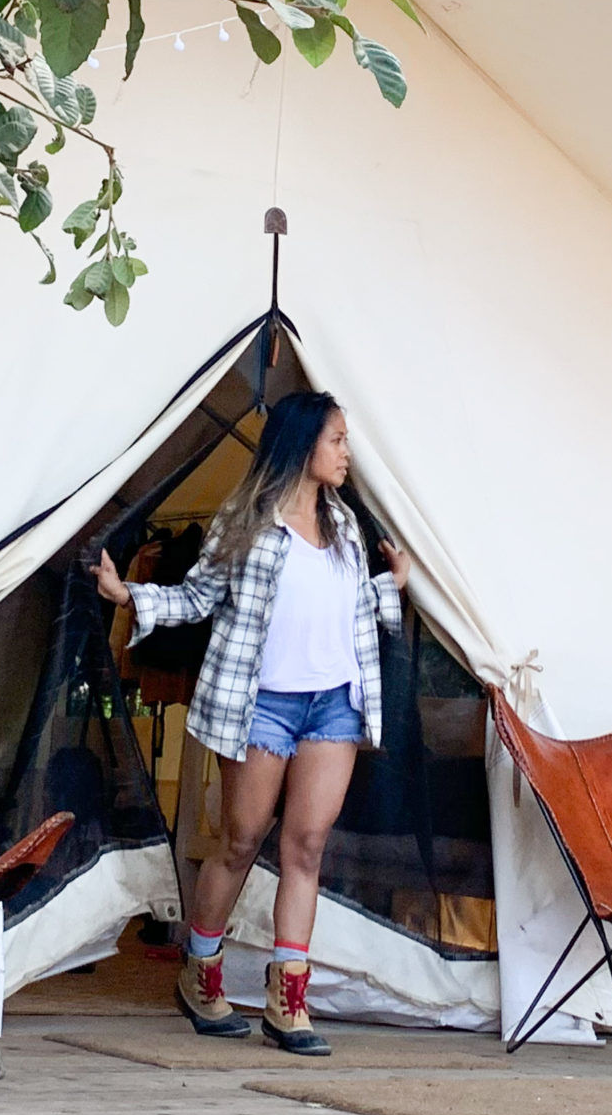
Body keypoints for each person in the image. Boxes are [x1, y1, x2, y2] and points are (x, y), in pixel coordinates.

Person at [95, 390, 409, 1056]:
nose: (347, 453)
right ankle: (201, 973)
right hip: (259, 702)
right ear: (303, 445)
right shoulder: (246, 521)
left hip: (334, 702)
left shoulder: (346, 526)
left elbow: (346, 609)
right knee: (240, 842)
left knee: (306, 849)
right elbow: (199, 598)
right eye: (337, 440)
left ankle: (288, 1002)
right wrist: (132, 596)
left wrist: (392, 587)